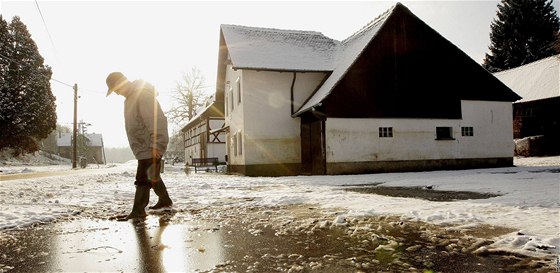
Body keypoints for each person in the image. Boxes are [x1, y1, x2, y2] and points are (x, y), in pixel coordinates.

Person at [106, 72, 173, 220]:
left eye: (116, 89)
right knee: (152, 176)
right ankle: (165, 200)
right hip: (144, 146)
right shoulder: (130, 98)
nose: (116, 93)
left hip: (150, 145)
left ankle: (138, 211)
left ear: (121, 83)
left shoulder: (142, 95)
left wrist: (157, 144)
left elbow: (156, 120)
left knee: (142, 177)